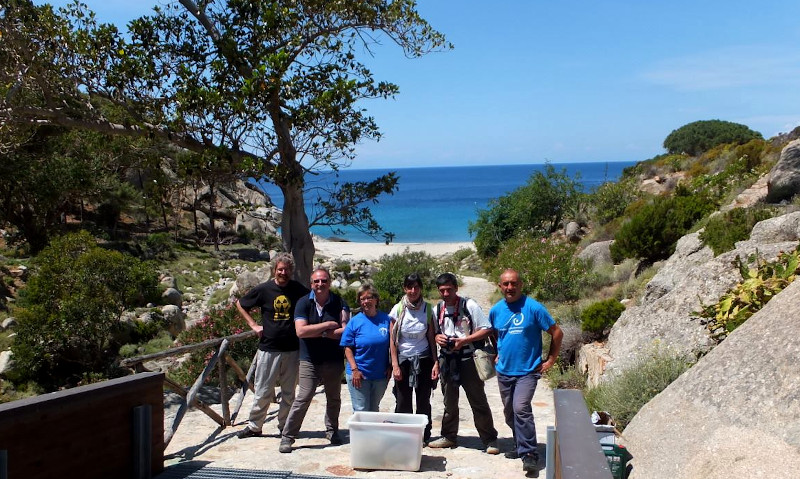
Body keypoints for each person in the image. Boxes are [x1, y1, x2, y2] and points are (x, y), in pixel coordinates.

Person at [489, 268, 563, 475]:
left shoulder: (533, 308)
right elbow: (496, 333)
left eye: (514, 283)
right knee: (509, 411)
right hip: (504, 371)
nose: (510, 287)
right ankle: (519, 444)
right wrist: (498, 352)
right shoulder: (496, 310)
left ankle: (530, 454)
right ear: (500, 286)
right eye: (506, 284)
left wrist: (550, 359)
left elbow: (557, 332)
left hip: (527, 371)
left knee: (521, 407)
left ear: (520, 285)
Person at [236, 253, 309, 439]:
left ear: (291, 270)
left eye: (286, 269)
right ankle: (255, 426)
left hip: (292, 349)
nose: (283, 272)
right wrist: (253, 325)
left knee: (288, 393)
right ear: (274, 270)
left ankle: (285, 426)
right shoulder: (264, 289)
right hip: (268, 348)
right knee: (262, 390)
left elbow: (312, 305)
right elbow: (240, 304)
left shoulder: (298, 290)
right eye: (280, 269)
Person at [278, 267, 350, 453]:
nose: (320, 284)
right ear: (311, 284)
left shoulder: (339, 302)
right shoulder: (303, 303)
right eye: (316, 281)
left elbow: (345, 331)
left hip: (333, 359)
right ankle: (288, 436)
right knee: (303, 397)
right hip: (309, 359)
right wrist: (327, 327)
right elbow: (300, 331)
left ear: (329, 282)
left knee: (333, 398)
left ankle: (332, 431)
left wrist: (317, 331)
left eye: (324, 281)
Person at [428, 273, 500, 455]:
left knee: (478, 401)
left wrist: (464, 340)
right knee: (449, 402)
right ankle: (449, 436)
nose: (445, 293)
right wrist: (438, 337)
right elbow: (434, 333)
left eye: (449, 289)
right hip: (448, 359)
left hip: (469, 359)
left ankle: (489, 439)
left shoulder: (469, 305)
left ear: (456, 288)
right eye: (442, 290)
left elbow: (487, 329)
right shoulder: (437, 310)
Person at [389, 273, 440, 444]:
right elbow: (392, 340)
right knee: (403, 399)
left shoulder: (427, 310)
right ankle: (404, 435)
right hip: (404, 359)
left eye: (416, 287)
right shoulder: (397, 310)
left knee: (423, 399)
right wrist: (395, 365)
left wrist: (435, 363)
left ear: (421, 289)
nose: (413, 291)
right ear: (405, 289)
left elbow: (431, 338)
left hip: (423, 358)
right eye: (409, 287)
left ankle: (424, 434)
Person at [340, 283, 391, 412]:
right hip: (359, 374)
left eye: (369, 298)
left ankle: (372, 433)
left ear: (376, 299)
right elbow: (347, 347)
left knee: (374, 409)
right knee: (361, 410)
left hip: (380, 375)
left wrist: (391, 365)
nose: (366, 301)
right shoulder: (355, 321)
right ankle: (359, 433)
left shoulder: (386, 319)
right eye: (362, 299)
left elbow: (393, 345)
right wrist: (355, 370)